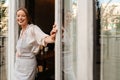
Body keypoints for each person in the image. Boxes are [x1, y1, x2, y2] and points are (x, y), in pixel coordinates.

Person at [14, 8, 57, 80]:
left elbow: (44, 38)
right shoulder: (22, 31)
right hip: (18, 66)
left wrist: (52, 37)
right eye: (18, 16)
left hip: (28, 68)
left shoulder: (33, 29)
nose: (20, 18)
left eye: (23, 16)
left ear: (27, 17)